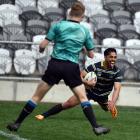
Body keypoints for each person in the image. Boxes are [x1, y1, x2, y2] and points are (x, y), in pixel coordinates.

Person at [6, 1, 110, 136]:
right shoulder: (84, 31)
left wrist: (42, 50)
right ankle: (96, 126)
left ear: (69, 13)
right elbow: (90, 54)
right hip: (71, 67)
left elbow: (43, 45)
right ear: (82, 16)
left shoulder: (58, 25)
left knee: (37, 97)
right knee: (83, 98)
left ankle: (17, 123)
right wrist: (82, 47)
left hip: (55, 64)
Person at [35, 48, 122, 125]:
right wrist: (87, 83)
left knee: (106, 109)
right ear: (105, 57)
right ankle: (44, 115)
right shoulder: (95, 67)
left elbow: (117, 89)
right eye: (111, 57)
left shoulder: (117, 71)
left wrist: (113, 102)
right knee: (68, 104)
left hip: (103, 95)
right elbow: (79, 76)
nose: (113, 59)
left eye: (115, 57)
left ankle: (111, 107)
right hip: (88, 91)